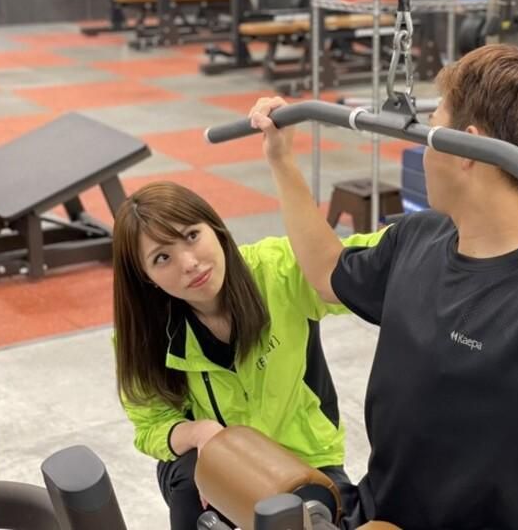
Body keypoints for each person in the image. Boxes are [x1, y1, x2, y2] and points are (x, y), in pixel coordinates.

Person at [249, 43, 518, 529]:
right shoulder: (418, 237)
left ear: (465, 149)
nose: (423, 150)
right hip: (379, 518)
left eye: (431, 132)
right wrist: (281, 159)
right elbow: (326, 274)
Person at [112, 181, 383, 530]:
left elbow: (362, 260)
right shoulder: (143, 332)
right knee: (189, 480)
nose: (189, 263)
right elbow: (150, 425)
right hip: (215, 464)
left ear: (215, 228)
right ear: (146, 276)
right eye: (162, 258)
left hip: (304, 458)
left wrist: (436, 237)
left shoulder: (275, 272)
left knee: (313, 518)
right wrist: (201, 434)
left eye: (192, 235)